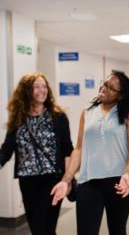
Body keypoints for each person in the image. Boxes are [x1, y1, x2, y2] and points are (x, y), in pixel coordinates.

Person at [51, 70, 129, 235]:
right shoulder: (87, 113)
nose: (104, 88)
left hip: (118, 182)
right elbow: (79, 149)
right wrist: (66, 180)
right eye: (104, 83)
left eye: (111, 88)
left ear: (120, 95)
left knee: (117, 230)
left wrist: (127, 174)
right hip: (89, 182)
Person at [0, 72, 73, 235]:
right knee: (36, 226)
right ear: (26, 91)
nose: (42, 90)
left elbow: (68, 149)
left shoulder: (58, 117)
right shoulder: (18, 118)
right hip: (27, 180)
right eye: (37, 86)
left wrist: (67, 180)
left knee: (43, 227)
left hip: (52, 178)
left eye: (44, 86)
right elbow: (6, 149)